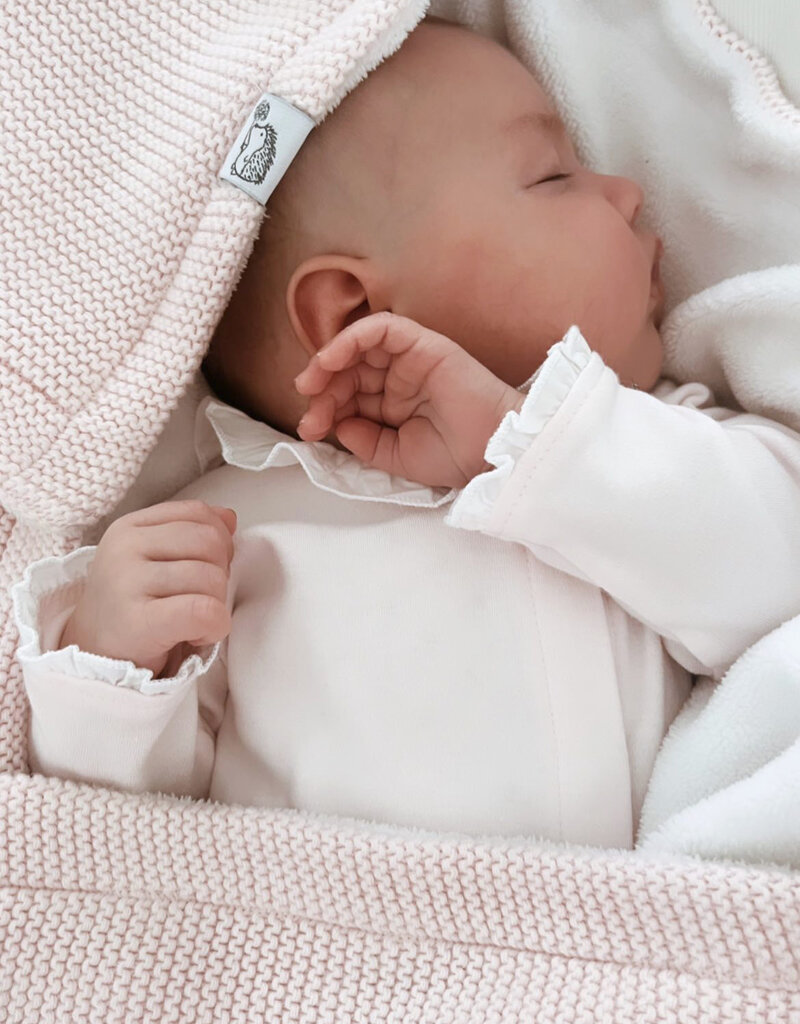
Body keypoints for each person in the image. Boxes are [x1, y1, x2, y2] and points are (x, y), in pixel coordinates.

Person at [13, 18, 800, 850]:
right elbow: (118, 850)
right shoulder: (230, 537)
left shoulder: (644, 439)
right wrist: (113, 671)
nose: (628, 192)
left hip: (628, 947)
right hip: (353, 962)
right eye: (553, 175)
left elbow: (778, 580)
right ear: (354, 313)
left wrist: (528, 439)